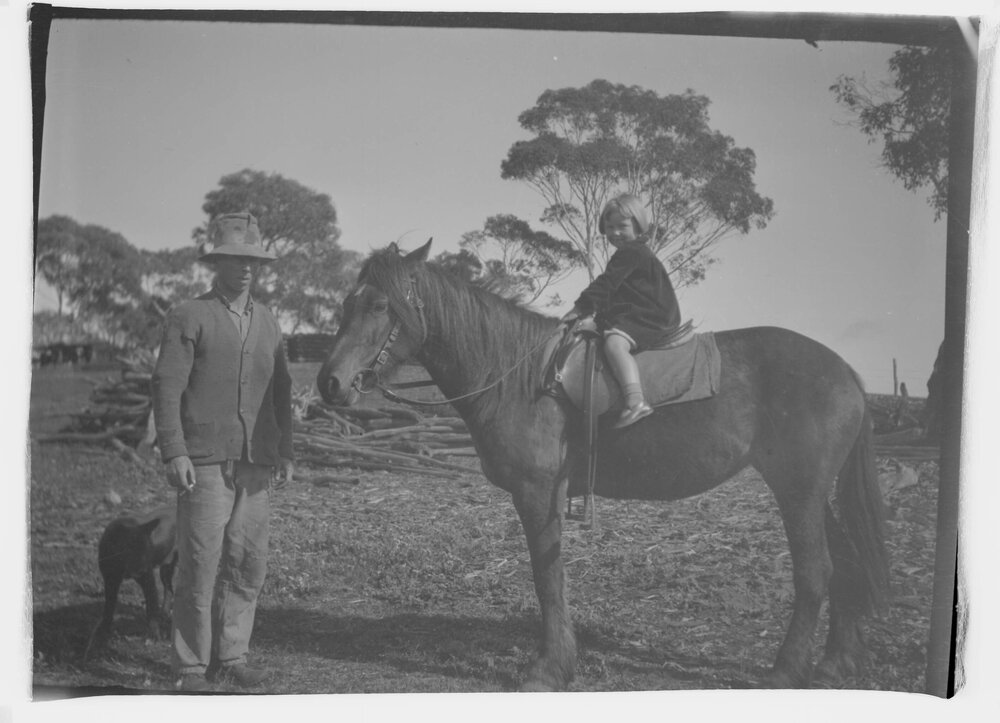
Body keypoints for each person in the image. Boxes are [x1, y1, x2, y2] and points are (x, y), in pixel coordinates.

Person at [152, 212, 294, 692]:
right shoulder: (189, 315)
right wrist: (175, 451)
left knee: (248, 563)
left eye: (254, 260)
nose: (247, 268)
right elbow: (167, 386)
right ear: (218, 262)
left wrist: (285, 450)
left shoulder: (270, 323)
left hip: (256, 466)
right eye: (237, 259)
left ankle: (233, 657)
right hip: (205, 464)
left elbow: (281, 394)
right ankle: (191, 667)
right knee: (199, 563)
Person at [561, 194, 682, 429]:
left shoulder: (632, 252)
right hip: (638, 310)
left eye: (622, 226)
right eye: (610, 227)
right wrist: (596, 319)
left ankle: (635, 401)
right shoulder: (629, 253)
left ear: (637, 226)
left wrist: (579, 308)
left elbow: (606, 285)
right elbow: (619, 298)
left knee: (615, 344)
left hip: (652, 315)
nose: (615, 232)